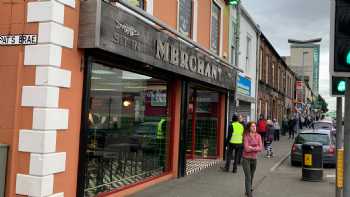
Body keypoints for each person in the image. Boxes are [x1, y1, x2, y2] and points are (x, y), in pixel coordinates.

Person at [242, 121, 263, 197]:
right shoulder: (246, 136)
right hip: (246, 159)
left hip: (254, 159)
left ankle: (248, 190)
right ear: (249, 128)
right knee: (248, 176)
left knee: (252, 176)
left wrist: (252, 147)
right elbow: (246, 149)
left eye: (255, 126)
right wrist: (255, 147)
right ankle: (249, 194)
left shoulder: (258, 136)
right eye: (252, 126)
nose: (254, 127)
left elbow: (260, 148)